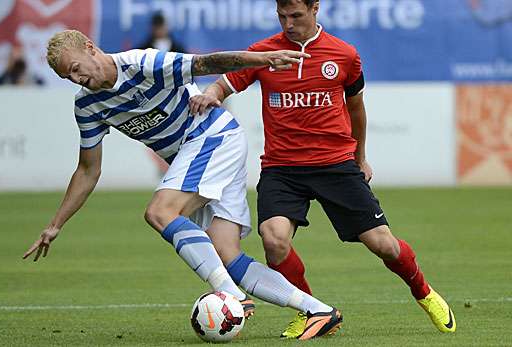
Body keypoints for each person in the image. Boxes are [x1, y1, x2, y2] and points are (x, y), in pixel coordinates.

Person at [22, 29, 343, 340]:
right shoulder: (87, 106)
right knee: (226, 255)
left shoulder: (140, 63)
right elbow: (88, 170)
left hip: (211, 137)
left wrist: (263, 59)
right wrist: (55, 225)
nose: (78, 80)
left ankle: (232, 296)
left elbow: (208, 63)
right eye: (69, 78)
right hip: (203, 150)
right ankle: (317, 310)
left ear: (90, 47)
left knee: (161, 212)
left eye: (76, 69)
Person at [190, 0, 456, 338]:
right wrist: (210, 93)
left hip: (336, 166)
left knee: (383, 245)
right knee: (273, 240)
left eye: (296, 15)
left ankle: (423, 292)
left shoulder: (344, 55)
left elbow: (357, 109)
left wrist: (360, 158)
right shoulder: (265, 53)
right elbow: (225, 83)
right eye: (282, 16)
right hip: (282, 168)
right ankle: (313, 311)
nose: (288, 23)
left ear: (315, 9)